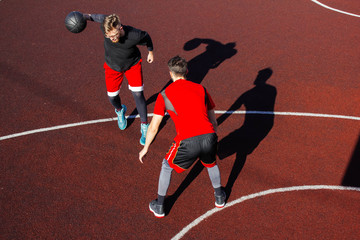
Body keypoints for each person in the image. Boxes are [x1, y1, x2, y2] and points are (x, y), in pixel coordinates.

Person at [139, 56, 226, 218]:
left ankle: (159, 205)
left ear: (170, 73)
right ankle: (219, 196)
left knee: (166, 165)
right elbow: (213, 120)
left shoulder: (164, 95)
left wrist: (145, 148)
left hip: (187, 141)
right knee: (211, 163)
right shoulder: (201, 89)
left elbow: (154, 126)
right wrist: (213, 138)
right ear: (187, 71)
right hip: (209, 136)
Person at [83, 13, 154, 145]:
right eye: (109, 36)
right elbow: (93, 17)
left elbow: (147, 37)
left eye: (115, 35)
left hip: (132, 64)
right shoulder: (105, 24)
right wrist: (82, 16)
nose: (113, 38)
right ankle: (120, 110)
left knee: (138, 94)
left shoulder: (134, 35)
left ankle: (145, 126)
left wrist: (150, 52)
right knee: (112, 97)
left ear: (120, 27)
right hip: (112, 66)